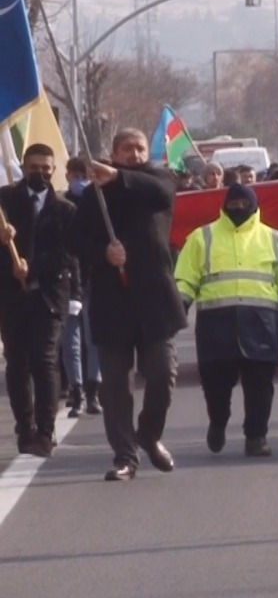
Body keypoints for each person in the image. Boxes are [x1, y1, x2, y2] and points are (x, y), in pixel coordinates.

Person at [71, 129, 188, 482]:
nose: (135, 154)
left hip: (155, 299)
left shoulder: (158, 179)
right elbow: (75, 239)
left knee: (162, 374)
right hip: (113, 301)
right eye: (126, 150)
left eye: (139, 149)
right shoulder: (95, 195)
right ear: (114, 152)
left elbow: (162, 192)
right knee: (117, 388)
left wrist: (120, 177)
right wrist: (102, 254)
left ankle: (149, 434)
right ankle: (124, 456)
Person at [174, 183, 278, 458]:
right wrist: (179, 306)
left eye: (244, 202)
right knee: (216, 386)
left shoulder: (274, 239)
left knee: (260, 386)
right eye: (234, 202)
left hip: (260, 324)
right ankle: (218, 421)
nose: (238, 207)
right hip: (216, 326)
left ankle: (256, 436)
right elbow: (185, 279)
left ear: (254, 204)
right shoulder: (202, 238)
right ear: (225, 204)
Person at [0, 144, 78, 457]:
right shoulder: (4, 202)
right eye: (34, 168)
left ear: (54, 170)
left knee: (45, 362)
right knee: (17, 364)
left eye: (46, 168)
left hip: (47, 296)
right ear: (24, 166)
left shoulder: (65, 210)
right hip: (10, 296)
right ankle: (26, 428)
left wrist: (32, 267)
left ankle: (45, 431)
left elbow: (67, 254)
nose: (41, 173)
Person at [58, 156, 100, 418]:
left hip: (94, 278)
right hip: (68, 280)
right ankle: (78, 393)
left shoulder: (100, 204)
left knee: (93, 338)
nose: (79, 181)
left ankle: (92, 393)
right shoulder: (60, 206)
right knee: (71, 341)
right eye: (77, 175)